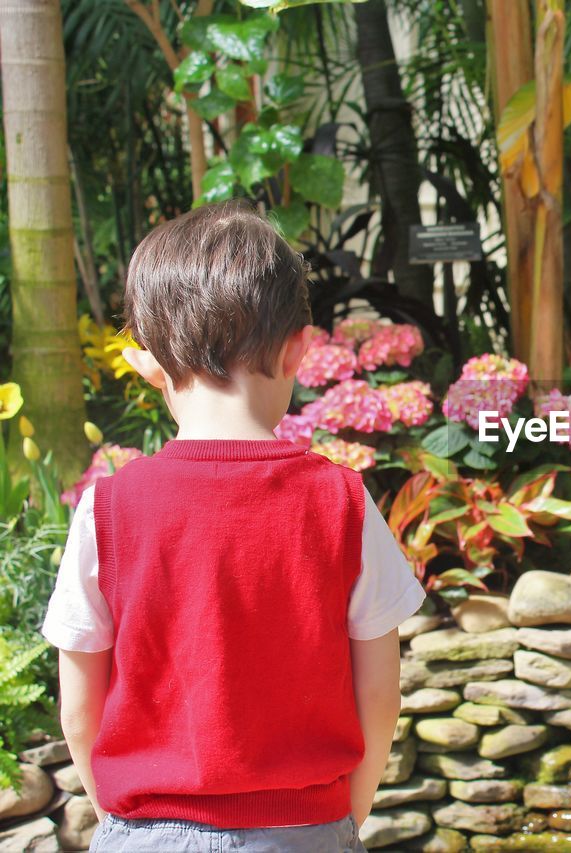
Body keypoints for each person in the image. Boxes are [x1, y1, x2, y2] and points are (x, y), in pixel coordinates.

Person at [40, 201, 426, 852]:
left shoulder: (104, 511)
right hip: (307, 829)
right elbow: (380, 693)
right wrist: (343, 821)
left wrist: (126, 825)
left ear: (149, 365)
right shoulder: (344, 502)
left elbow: (79, 708)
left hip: (145, 832)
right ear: (298, 350)